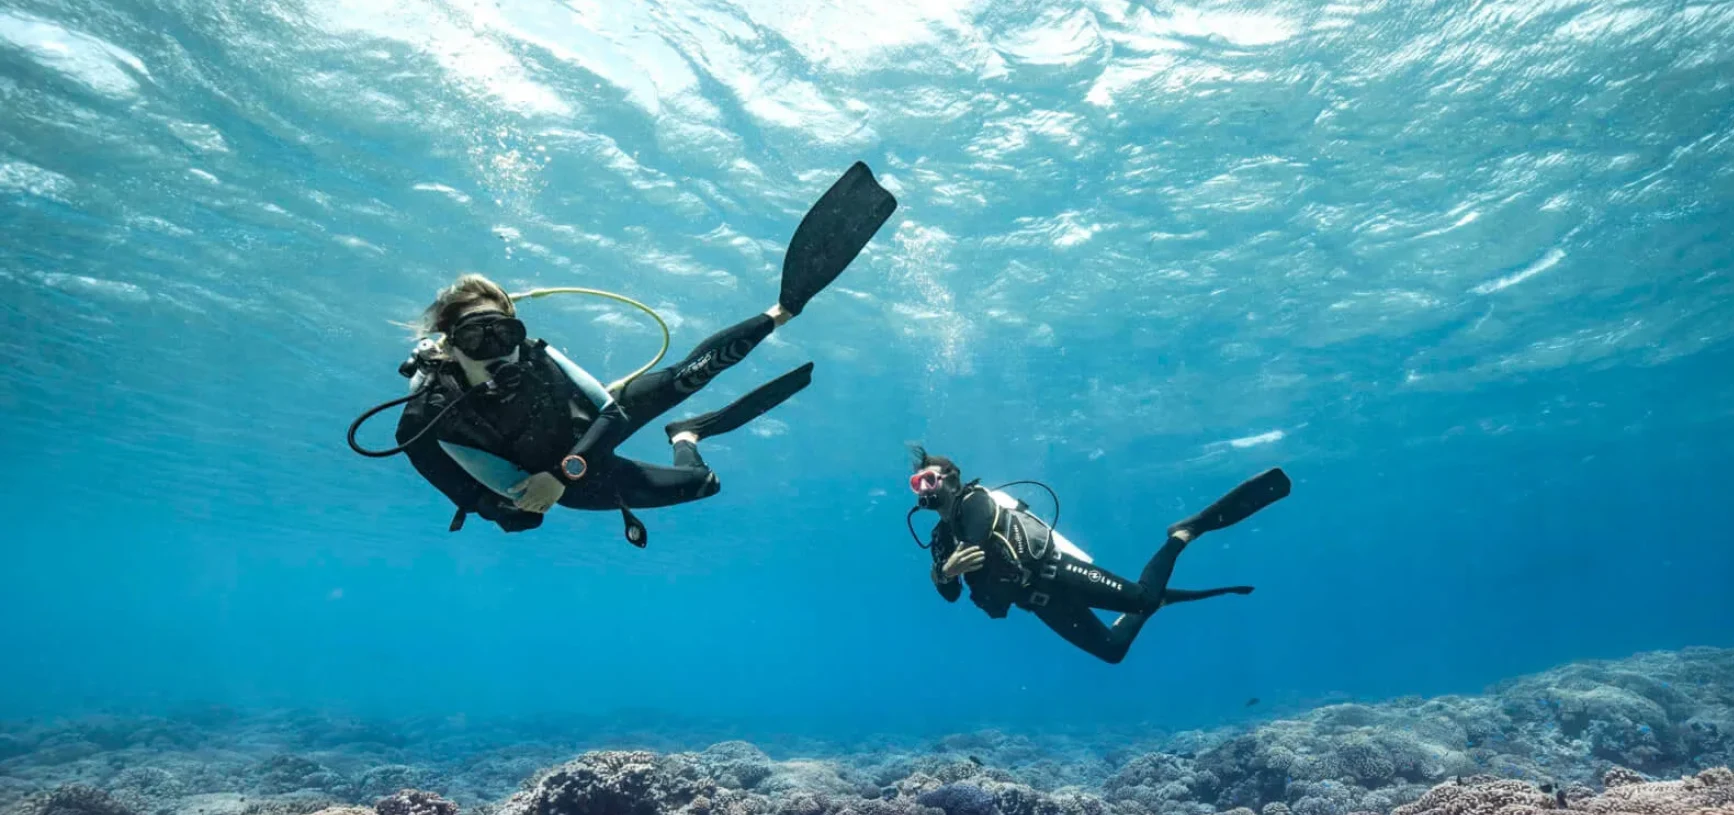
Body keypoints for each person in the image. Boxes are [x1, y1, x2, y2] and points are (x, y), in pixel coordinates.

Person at [369, 163, 897, 543]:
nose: (499, 352)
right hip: (574, 482)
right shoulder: (423, 418)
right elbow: (465, 491)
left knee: (688, 375)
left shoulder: (532, 355)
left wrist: (561, 472)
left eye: (504, 334)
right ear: (447, 345)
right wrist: (502, 508)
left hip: (594, 429)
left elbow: (612, 410)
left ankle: (781, 311)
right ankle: (687, 436)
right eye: (476, 340)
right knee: (702, 485)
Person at [909, 448, 1290, 663]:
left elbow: (976, 538)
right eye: (916, 484)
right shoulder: (940, 536)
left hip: (1058, 573)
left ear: (953, 478)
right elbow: (951, 593)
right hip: (1037, 602)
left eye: (929, 479)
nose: (922, 489)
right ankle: (1155, 601)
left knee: (1141, 598)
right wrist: (941, 575)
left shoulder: (975, 500)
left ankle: (1182, 535)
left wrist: (948, 567)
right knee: (1112, 651)